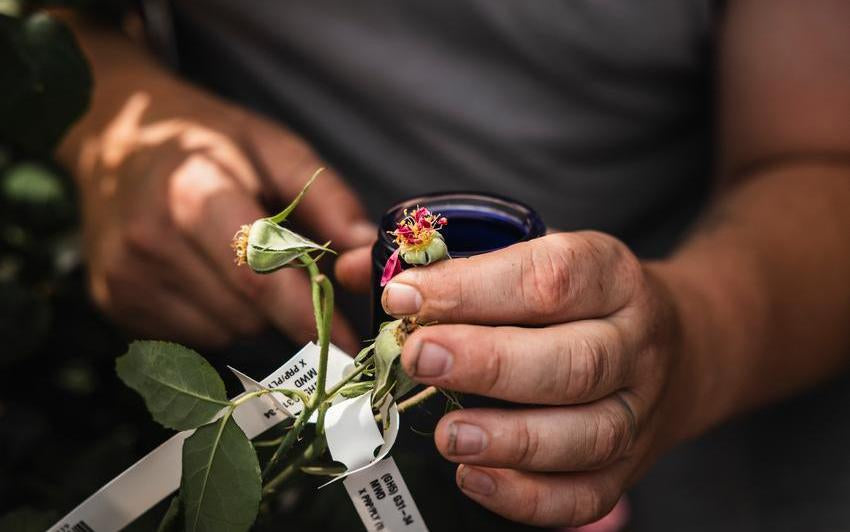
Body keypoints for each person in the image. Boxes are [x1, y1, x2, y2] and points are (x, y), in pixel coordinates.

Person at [56, 1, 850, 530]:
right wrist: (109, 114)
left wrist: (691, 343)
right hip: (279, 431)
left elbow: (823, 158)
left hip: (702, 445)